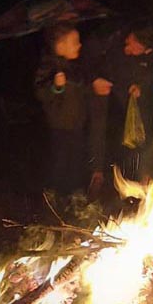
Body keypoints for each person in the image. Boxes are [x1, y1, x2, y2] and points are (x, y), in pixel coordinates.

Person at [93, 21, 153, 184]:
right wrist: (97, 79)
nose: (127, 41)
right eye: (129, 38)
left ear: (144, 47)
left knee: (141, 139)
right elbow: (102, 65)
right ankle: (103, 175)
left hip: (136, 107)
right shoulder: (118, 46)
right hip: (110, 99)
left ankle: (143, 177)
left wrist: (141, 86)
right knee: (110, 138)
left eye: (132, 42)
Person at [35, 23, 89, 193]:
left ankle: (75, 193)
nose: (79, 45)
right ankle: (54, 194)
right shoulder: (48, 67)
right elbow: (40, 92)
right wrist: (56, 86)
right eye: (75, 42)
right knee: (60, 162)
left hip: (76, 124)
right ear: (60, 46)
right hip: (59, 126)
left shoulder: (74, 66)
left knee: (76, 161)